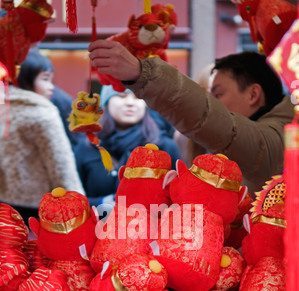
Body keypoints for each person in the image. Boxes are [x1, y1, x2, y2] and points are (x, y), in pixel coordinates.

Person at [88, 40, 295, 196]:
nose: (214, 102)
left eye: (218, 94)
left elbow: (209, 117)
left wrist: (142, 74)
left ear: (253, 94)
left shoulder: (275, 140)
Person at [0, 48, 85, 225]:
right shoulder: (42, 112)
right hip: (38, 209)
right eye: (45, 79)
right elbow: (60, 165)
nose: (51, 86)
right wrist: (78, 209)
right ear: (24, 78)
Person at [74, 85, 181, 206]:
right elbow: (73, 199)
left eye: (137, 97)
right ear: (106, 102)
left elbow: (179, 198)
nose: (130, 103)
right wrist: (102, 203)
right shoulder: (88, 147)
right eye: (122, 96)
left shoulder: (163, 147)